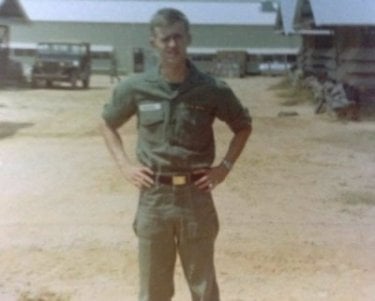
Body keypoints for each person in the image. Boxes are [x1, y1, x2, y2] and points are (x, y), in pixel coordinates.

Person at [100, 8, 252, 301]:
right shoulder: (136, 87)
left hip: (196, 196)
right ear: (153, 42)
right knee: (153, 290)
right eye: (165, 38)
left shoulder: (211, 89)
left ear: (188, 39)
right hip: (154, 197)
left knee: (203, 287)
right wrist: (125, 166)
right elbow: (107, 124)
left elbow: (243, 126)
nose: (172, 45)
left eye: (178, 37)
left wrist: (224, 167)